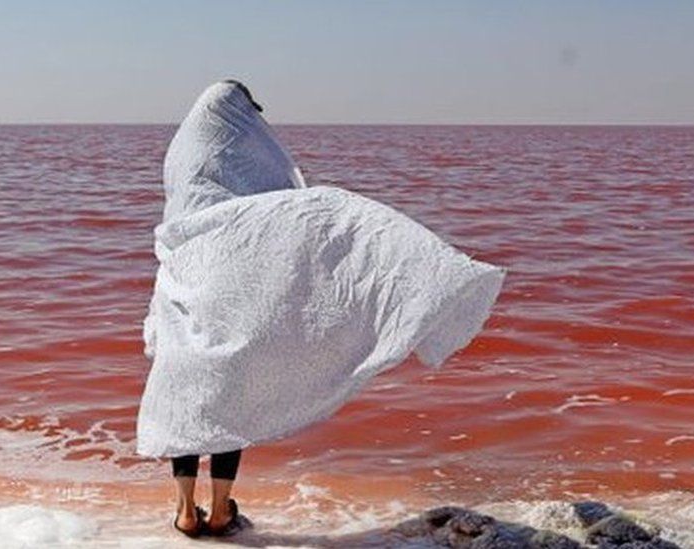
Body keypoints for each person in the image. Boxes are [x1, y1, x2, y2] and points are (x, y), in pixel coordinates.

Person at [135, 79, 505, 540]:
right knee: (224, 397)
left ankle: (185, 511)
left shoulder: (184, 154)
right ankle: (221, 509)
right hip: (229, 288)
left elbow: (182, 217)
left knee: (187, 397)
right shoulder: (244, 146)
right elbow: (271, 212)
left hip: (184, 283)